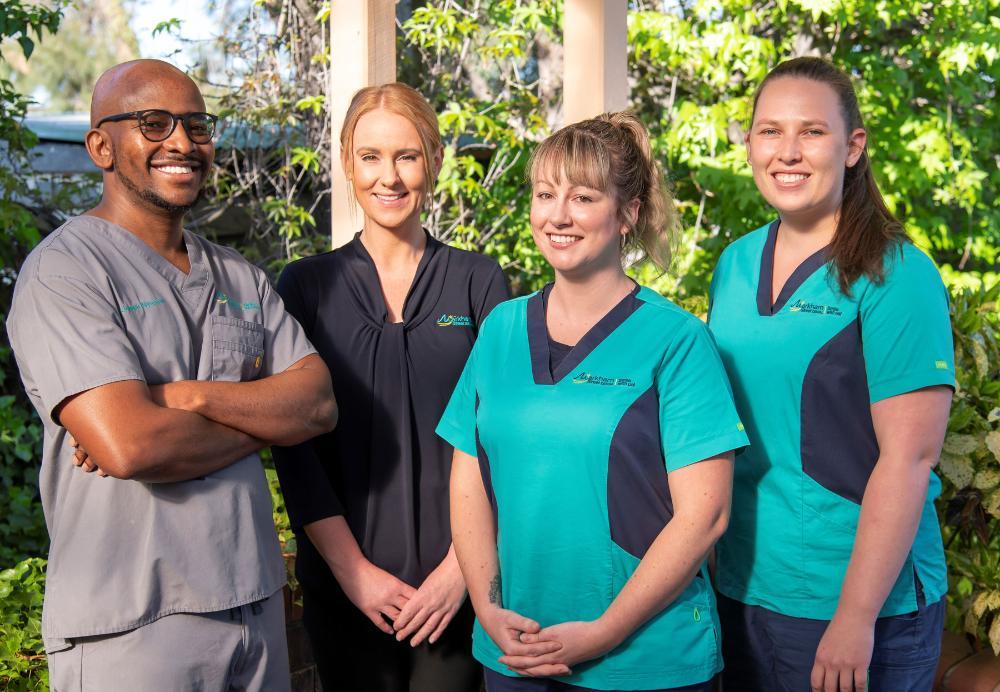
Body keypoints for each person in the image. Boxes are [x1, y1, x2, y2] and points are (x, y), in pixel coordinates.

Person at [6, 60, 337, 692]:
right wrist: (266, 420)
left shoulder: (240, 277)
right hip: (133, 624)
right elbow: (132, 445)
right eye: (153, 123)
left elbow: (318, 405)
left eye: (196, 124)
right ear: (101, 146)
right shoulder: (65, 272)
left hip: (255, 603)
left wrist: (187, 397)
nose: (182, 142)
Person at [437, 112, 749, 692]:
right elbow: (468, 480)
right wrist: (486, 607)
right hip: (515, 651)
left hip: (643, 661)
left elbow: (705, 517)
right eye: (545, 194)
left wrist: (604, 632)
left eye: (582, 197)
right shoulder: (501, 329)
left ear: (628, 213)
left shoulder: (678, 342)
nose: (558, 215)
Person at [707, 57, 954, 692]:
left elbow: (910, 458)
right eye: (769, 131)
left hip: (858, 603)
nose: (787, 152)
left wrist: (855, 616)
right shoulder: (734, 265)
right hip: (742, 585)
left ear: (853, 147)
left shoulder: (896, 274)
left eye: (812, 132)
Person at [271, 82, 509, 692]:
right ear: (347, 161)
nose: (390, 177)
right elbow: (294, 449)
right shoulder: (305, 288)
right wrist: (355, 575)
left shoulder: (479, 283)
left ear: (433, 160)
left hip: (456, 593)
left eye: (407, 156)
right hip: (348, 590)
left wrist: (463, 573)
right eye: (371, 156)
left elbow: (502, 440)